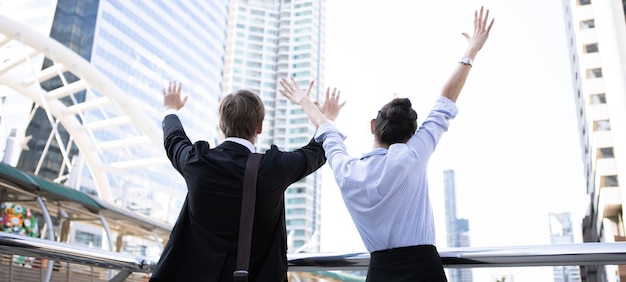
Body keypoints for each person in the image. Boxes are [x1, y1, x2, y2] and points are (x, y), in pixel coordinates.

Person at [279, 6, 494, 282]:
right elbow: (445, 101)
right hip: (425, 272)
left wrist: (305, 101)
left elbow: (327, 132)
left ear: (372, 125)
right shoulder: (413, 154)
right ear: (410, 135)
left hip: (380, 273)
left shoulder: (348, 171)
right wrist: (472, 50)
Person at [149, 82, 326, 281]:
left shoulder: (197, 162)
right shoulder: (273, 168)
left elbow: (174, 139)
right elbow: (318, 150)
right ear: (259, 127)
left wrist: (170, 108)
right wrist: (319, 114)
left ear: (221, 125)